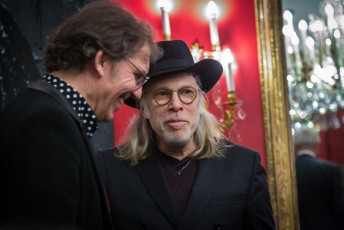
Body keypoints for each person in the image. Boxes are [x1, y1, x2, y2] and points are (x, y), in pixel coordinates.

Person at [0, 1, 161, 229]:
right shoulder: (46, 123)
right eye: (137, 76)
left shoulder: (47, 113)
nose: (138, 92)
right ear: (101, 61)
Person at [96, 40, 275, 230]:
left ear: (200, 104)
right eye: (162, 94)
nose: (176, 105)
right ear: (144, 108)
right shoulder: (110, 169)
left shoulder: (244, 165)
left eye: (187, 92)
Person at [294, 126, 344, 230]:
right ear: (317, 145)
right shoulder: (331, 170)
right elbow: (339, 207)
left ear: (295, 146)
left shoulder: (286, 172)